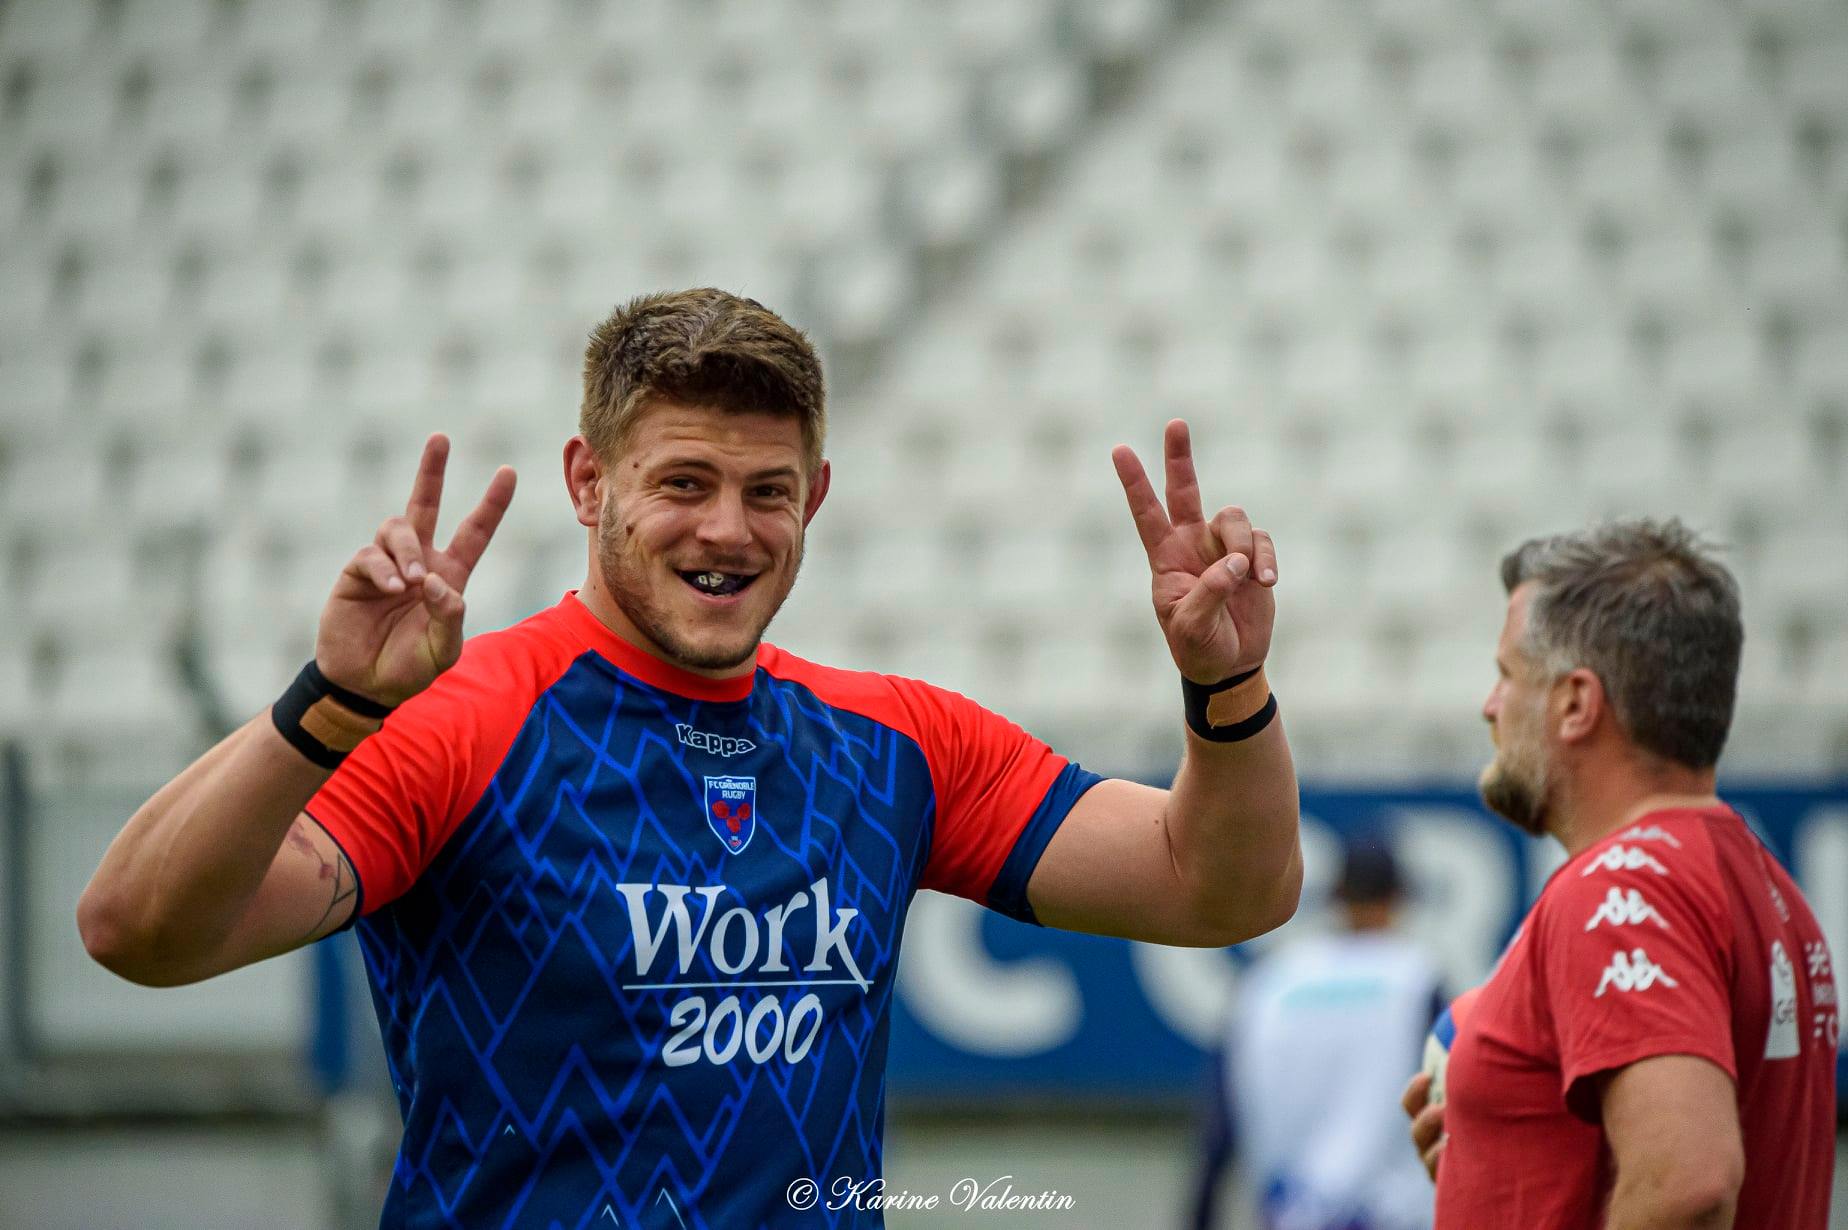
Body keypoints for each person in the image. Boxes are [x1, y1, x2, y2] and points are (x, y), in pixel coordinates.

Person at [75, 289, 1303, 1228]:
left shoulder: (895, 744)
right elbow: (137, 929)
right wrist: (331, 701)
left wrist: (1227, 684)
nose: (728, 529)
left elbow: (1221, 890)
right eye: (683, 483)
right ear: (587, 479)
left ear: (816, 497)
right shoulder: (466, 719)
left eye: (767, 490)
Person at [1400, 520, 1838, 1229]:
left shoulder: (1616, 892)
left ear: (1576, 703)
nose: (1489, 705)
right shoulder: (1767, 886)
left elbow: (1688, 1185)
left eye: (1508, 675)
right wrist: (1497, 1165)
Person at [1191, 834, 1443, 1230]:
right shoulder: (1416, 981)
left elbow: (1220, 1129)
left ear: (1336, 897)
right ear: (1398, 897)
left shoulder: (1269, 981)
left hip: (1290, 1213)